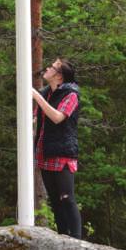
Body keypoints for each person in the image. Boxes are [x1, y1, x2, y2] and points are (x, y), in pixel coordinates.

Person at [32, 58, 82, 239]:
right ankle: (63, 236)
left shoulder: (71, 95)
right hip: (45, 151)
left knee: (66, 198)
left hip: (63, 153)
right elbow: (37, 118)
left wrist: (36, 97)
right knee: (55, 201)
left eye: (52, 67)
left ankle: (77, 241)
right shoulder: (47, 93)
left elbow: (57, 117)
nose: (47, 68)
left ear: (59, 77)